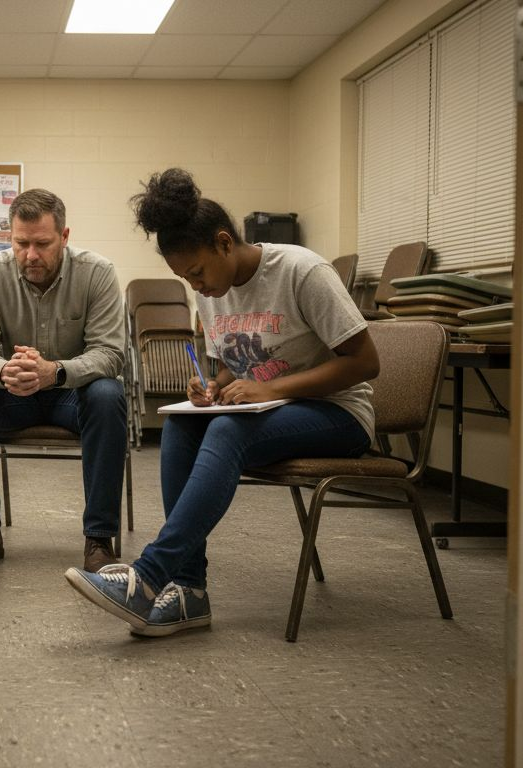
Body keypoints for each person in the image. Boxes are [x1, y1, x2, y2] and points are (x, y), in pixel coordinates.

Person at [64, 167, 380, 636]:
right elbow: (240, 361)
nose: (196, 287)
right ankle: (190, 594)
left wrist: (271, 389)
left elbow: (364, 362)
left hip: (339, 413)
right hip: (269, 411)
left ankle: (149, 578)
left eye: (197, 272)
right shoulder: (213, 292)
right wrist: (213, 387)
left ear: (225, 242)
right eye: (183, 278)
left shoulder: (301, 271)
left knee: (227, 430)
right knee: (183, 423)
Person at [0, 188, 127, 575]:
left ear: (64, 237)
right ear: (9, 237)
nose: (31, 254)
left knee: (108, 393)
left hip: (71, 396)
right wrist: (2, 371)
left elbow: (111, 353)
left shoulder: (98, 273)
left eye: (42, 244)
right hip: (12, 395)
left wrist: (57, 371)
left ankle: (99, 539)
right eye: (21, 243)